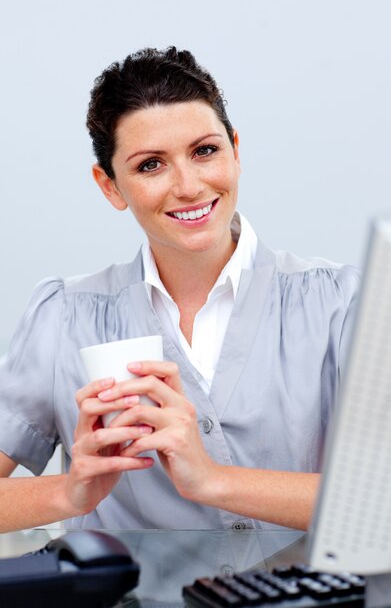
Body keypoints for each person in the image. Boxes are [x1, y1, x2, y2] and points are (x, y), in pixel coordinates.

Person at [0, 47, 359, 532]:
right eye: (151, 165)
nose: (188, 186)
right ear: (110, 187)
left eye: (205, 150)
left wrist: (212, 480)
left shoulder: (341, 304)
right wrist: (68, 492)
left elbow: (380, 502)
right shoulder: (65, 316)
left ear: (235, 149)